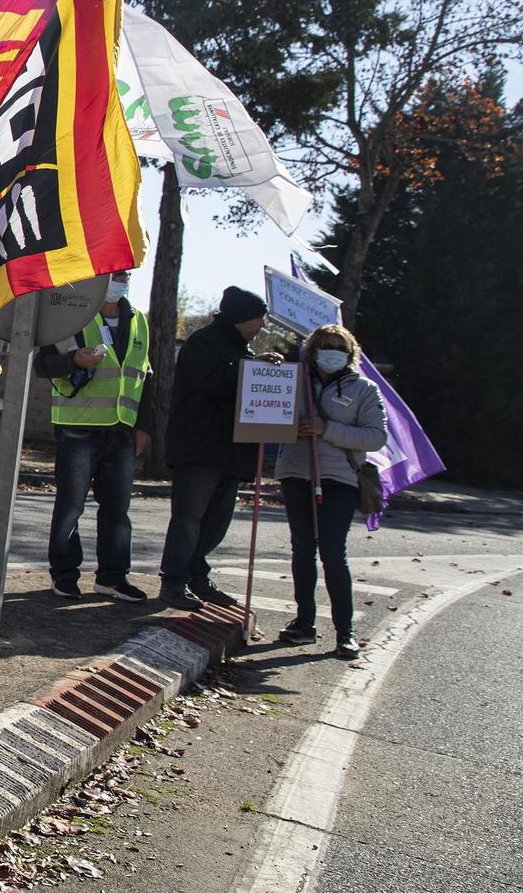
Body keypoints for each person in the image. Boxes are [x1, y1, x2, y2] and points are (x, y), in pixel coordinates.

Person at [37, 269, 153, 603]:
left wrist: (143, 426)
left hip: (121, 432)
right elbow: (43, 366)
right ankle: (64, 576)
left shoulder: (138, 320)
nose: (122, 280)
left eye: (126, 274)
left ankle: (112, 580)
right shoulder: (69, 315)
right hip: (79, 428)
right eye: (115, 273)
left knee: (118, 510)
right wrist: (74, 359)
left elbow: (144, 376)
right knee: (71, 507)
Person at [276, 324, 386, 659]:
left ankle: (345, 633)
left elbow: (375, 437)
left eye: (338, 345)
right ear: (312, 349)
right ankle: (304, 623)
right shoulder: (291, 381)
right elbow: (265, 410)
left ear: (350, 351)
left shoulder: (365, 389)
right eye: (324, 344)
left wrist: (328, 430)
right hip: (296, 473)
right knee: (301, 549)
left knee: (333, 552)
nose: (331, 349)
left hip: (339, 480)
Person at [157, 285, 268, 609]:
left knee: (216, 521)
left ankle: (196, 576)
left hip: (231, 452)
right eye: (258, 319)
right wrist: (252, 368)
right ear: (241, 317)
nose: (261, 327)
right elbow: (213, 383)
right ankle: (174, 582)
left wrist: (261, 368)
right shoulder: (202, 343)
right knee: (189, 519)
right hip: (199, 450)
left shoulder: (242, 351)